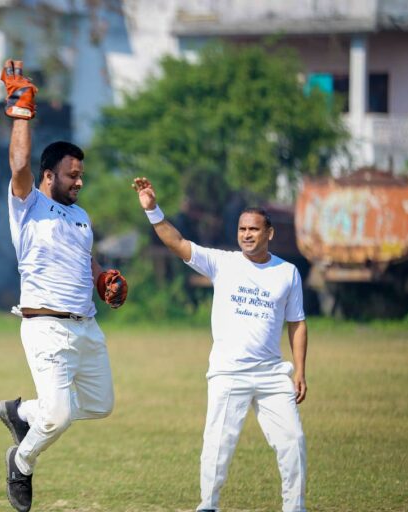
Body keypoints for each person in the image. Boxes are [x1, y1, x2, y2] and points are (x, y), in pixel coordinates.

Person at [0, 59, 128, 512]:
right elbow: (18, 164)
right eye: (73, 175)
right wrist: (21, 111)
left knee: (101, 404)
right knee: (58, 416)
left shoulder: (81, 216)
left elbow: (85, 259)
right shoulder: (27, 204)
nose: (80, 181)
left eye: (81, 174)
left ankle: (21, 412)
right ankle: (21, 462)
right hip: (45, 327)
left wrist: (104, 279)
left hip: (86, 327)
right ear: (49, 175)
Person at [132, 177, 308, 512]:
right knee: (218, 446)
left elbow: (297, 323)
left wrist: (300, 370)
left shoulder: (288, 273)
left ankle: (295, 507)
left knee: (293, 441)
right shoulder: (222, 262)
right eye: (242, 229)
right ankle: (208, 505)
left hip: (272, 374)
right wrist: (152, 209)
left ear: (269, 233)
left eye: (254, 229)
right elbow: (177, 242)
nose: (247, 234)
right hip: (228, 374)